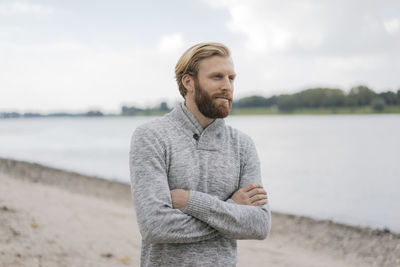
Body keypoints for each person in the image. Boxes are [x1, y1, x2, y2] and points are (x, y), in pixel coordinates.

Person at [129, 42, 271, 267]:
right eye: (217, 77)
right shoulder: (151, 136)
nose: (227, 86)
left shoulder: (242, 145)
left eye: (231, 78)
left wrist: (192, 202)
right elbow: (154, 225)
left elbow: (259, 225)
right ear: (188, 82)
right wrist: (232, 210)